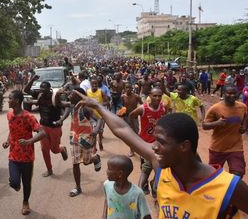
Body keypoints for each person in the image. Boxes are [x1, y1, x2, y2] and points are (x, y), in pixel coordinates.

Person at [74, 92, 248, 218]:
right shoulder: (161, 167)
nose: (154, 147)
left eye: (161, 142)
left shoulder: (229, 187)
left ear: (184, 146)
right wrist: (97, 106)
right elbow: (122, 129)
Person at [2, 90, 46, 215]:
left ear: (17, 101)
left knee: (26, 183)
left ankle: (25, 202)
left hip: (27, 156)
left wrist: (28, 141)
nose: (8, 100)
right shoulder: (9, 115)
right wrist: (7, 141)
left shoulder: (28, 117)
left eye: (10, 98)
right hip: (13, 155)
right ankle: (16, 185)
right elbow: (12, 130)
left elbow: (42, 133)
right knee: (14, 182)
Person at [23, 76, 69, 177]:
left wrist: (61, 119)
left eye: (44, 88)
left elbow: (67, 108)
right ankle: (49, 169)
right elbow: (26, 90)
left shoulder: (55, 97)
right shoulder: (40, 95)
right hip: (43, 127)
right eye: (41, 88)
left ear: (49, 88)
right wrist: (32, 79)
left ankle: (62, 149)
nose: (42, 89)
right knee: (44, 149)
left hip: (55, 128)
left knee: (54, 150)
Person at [202, 84, 247, 177]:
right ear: (223, 94)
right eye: (229, 93)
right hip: (218, 148)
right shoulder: (215, 108)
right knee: (214, 175)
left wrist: (244, 126)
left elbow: (245, 117)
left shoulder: (242, 107)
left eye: (234, 93)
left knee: (238, 173)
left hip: (236, 147)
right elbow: (204, 126)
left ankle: (231, 190)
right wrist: (216, 123)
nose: (232, 95)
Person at [129, 87, 166, 198]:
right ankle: (144, 186)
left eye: (159, 95)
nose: (157, 98)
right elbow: (131, 115)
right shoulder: (143, 108)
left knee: (158, 166)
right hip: (144, 143)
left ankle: (153, 184)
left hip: (158, 144)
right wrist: (135, 130)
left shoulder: (163, 108)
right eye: (155, 95)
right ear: (150, 95)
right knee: (145, 167)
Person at [66, 88, 102, 197]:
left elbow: (99, 119)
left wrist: (96, 130)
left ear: (78, 96)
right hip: (75, 138)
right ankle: (78, 187)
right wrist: (57, 94)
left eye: (72, 94)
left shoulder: (85, 109)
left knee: (86, 162)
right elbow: (57, 102)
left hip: (86, 139)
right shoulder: (72, 107)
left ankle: (95, 158)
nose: (70, 96)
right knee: (75, 163)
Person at [87, 76, 109, 151]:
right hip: (92, 116)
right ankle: (94, 147)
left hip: (100, 115)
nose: (94, 85)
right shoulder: (87, 92)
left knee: (100, 131)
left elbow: (107, 101)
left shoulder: (100, 92)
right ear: (90, 84)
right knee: (94, 132)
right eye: (93, 84)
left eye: (96, 84)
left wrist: (101, 105)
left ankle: (100, 142)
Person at [121, 83, 142, 157]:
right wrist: (122, 115)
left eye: (129, 87)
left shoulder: (136, 96)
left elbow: (142, 105)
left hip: (135, 117)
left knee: (136, 133)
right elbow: (123, 106)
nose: (128, 89)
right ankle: (132, 150)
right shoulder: (123, 97)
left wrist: (140, 113)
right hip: (126, 117)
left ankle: (139, 149)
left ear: (132, 88)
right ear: (124, 88)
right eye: (126, 87)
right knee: (129, 134)